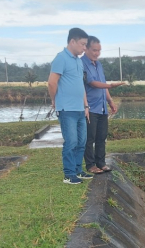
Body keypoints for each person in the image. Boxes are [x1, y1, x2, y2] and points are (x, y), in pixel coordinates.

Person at [48, 27, 93, 184]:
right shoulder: (61, 58)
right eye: (82, 44)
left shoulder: (78, 61)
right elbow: (52, 82)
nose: (84, 48)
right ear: (72, 41)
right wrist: (55, 100)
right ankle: (68, 174)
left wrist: (86, 106)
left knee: (82, 141)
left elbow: (80, 86)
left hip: (80, 109)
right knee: (71, 142)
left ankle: (78, 170)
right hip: (67, 109)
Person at [81, 36, 125, 174]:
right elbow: (92, 82)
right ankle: (90, 165)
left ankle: (101, 162)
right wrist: (111, 85)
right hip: (90, 107)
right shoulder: (81, 64)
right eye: (94, 50)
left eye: (99, 50)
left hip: (101, 107)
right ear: (86, 48)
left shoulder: (98, 64)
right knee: (90, 137)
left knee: (101, 136)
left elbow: (102, 85)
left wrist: (110, 101)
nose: (97, 53)